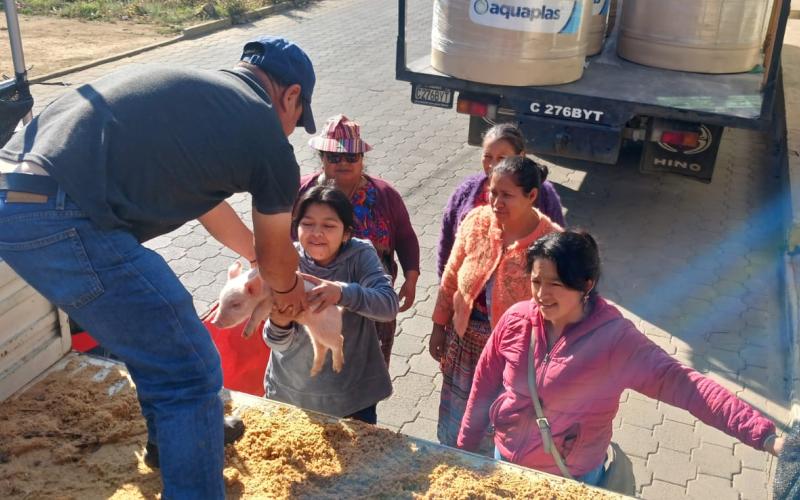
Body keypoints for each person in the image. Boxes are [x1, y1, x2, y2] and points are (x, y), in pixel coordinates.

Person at [0, 36, 316, 499]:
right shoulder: (265, 131)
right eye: (296, 117)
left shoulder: (205, 95)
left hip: (13, 188)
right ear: (290, 96)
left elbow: (212, 209)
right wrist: (288, 292)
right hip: (59, 210)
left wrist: (256, 261)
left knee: (159, 330)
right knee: (188, 366)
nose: (290, 129)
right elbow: (277, 254)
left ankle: (175, 440)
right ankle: (189, 448)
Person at [458, 230, 785, 485]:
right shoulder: (516, 320)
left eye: (555, 284)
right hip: (505, 461)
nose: (542, 295)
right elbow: (484, 385)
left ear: (586, 284)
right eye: (536, 281)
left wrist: (766, 437)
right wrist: (464, 449)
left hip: (569, 479)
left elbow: (688, 385)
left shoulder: (616, 341)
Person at [429, 156, 562, 447]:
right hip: (465, 344)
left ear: (532, 196)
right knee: (456, 423)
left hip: (516, 357)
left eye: (506, 195)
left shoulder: (552, 243)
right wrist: (439, 325)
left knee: (499, 429)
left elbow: (562, 309)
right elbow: (451, 275)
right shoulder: (476, 222)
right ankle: (451, 462)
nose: (496, 202)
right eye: (492, 192)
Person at [264, 186, 398, 423]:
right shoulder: (286, 260)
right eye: (307, 224)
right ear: (296, 228)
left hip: (352, 399)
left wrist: (342, 293)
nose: (316, 233)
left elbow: (387, 306)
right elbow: (276, 343)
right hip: (291, 395)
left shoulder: (359, 255)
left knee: (357, 459)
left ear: (346, 233)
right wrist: (280, 322)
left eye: (328, 225)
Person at [298, 114, 419, 367]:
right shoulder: (302, 192)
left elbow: (406, 236)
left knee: (366, 369)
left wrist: (411, 277)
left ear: (362, 159)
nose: (344, 162)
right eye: (334, 157)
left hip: (371, 303)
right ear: (322, 158)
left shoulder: (385, 195)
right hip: (311, 305)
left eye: (352, 157)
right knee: (314, 367)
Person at [437, 122, 565, 277]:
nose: (492, 165)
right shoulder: (466, 192)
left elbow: (559, 248)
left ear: (521, 156)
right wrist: (444, 284)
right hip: (471, 295)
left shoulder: (543, 194)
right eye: (487, 157)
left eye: (502, 158)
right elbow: (447, 243)